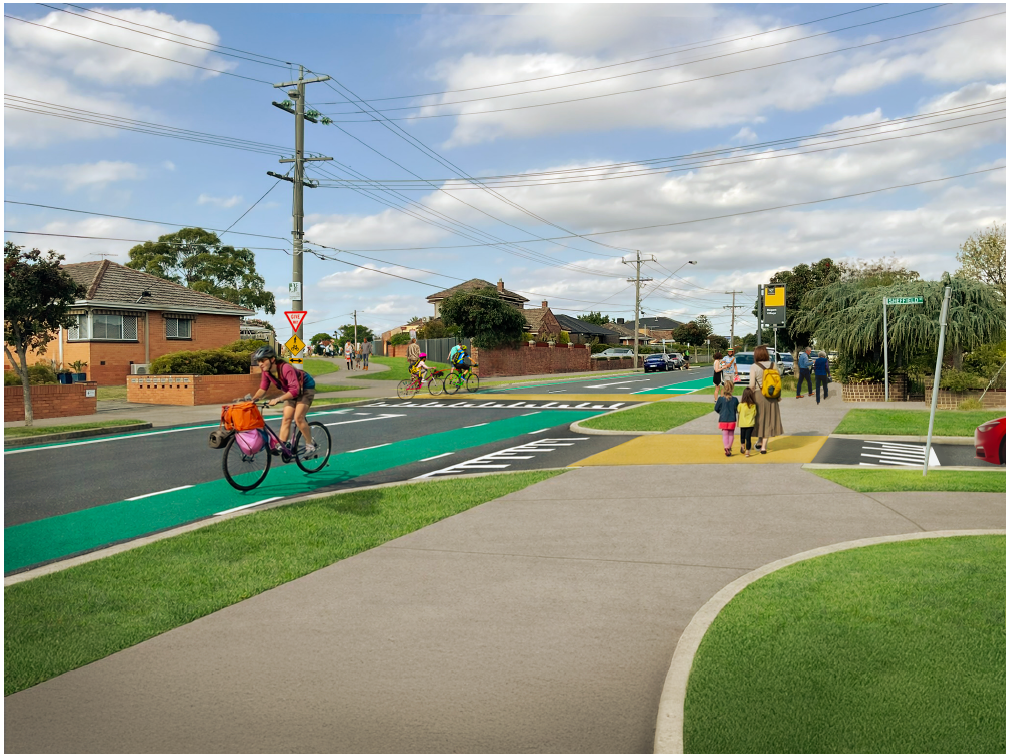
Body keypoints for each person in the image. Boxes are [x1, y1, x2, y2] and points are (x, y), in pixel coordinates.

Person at [250, 345, 317, 456]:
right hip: (291, 391)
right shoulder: (266, 372)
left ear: (272, 359)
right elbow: (263, 389)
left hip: (305, 388)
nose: (260, 364)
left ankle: (310, 444)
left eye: (262, 360)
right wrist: (253, 400)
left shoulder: (286, 368)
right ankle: (282, 444)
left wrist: (278, 399)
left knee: (298, 417)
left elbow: (295, 391)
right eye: (258, 361)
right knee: (286, 417)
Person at [749, 344, 783, 454]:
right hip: (772, 396)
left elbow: (752, 385)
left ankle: (760, 441)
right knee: (769, 420)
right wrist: (778, 396)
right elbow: (778, 382)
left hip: (758, 395)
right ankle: (763, 446)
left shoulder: (754, 366)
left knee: (759, 419)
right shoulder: (774, 365)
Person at [713, 379, 739, 457]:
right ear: (732, 389)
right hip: (732, 419)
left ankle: (726, 447)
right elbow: (737, 409)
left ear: (724, 388)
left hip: (723, 419)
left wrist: (721, 413)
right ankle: (729, 447)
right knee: (731, 434)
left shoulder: (721, 399)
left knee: (725, 434)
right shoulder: (735, 399)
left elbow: (716, 408)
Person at [738, 387, 758, 457]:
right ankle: (747, 451)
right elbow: (755, 414)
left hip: (742, 423)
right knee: (748, 438)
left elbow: (738, 411)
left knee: (742, 436)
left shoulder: (741, 405)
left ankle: (742, 446)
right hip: (750, 424)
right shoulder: (754, 405)